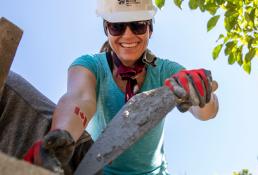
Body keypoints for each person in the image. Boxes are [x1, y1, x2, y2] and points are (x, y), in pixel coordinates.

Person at [23, 0, 219, 174]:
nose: (128, 35)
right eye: (117, 26)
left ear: (150, 29)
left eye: (138, 25)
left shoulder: (165, 70)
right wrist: (62, 135)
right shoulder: (90, 65)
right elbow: (80, 98)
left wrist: (202, 94)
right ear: (107, 29)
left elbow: (206, 113)